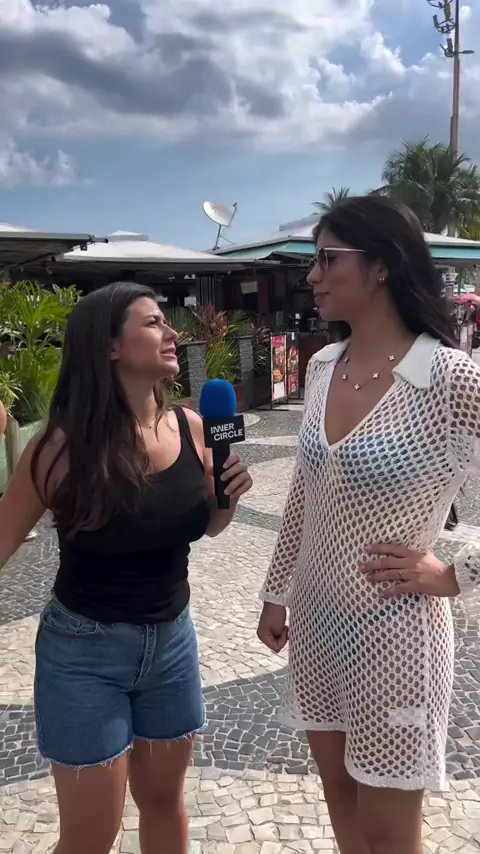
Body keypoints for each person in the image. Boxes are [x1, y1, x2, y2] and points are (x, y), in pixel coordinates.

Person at [257, 196, 480, 854]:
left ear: (382, 265)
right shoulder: (323, 366)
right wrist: (276, 593)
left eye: (329, 259)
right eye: (313, 260)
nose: (313, 275)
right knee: (342, 805)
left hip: (397, 636)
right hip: (315, 627)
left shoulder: (449, 379)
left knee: (387, 831)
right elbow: (303, 495)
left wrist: (455, 574)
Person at [0, 281, 253, 854]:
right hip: (82, 653)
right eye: (153, 322)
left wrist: (227, 497)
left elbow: (210, 526)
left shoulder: (191, 427)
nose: (172, 332)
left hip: (172, 643)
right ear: (110, 346)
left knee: (164, 802)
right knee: (92, 834)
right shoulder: (59, 449)